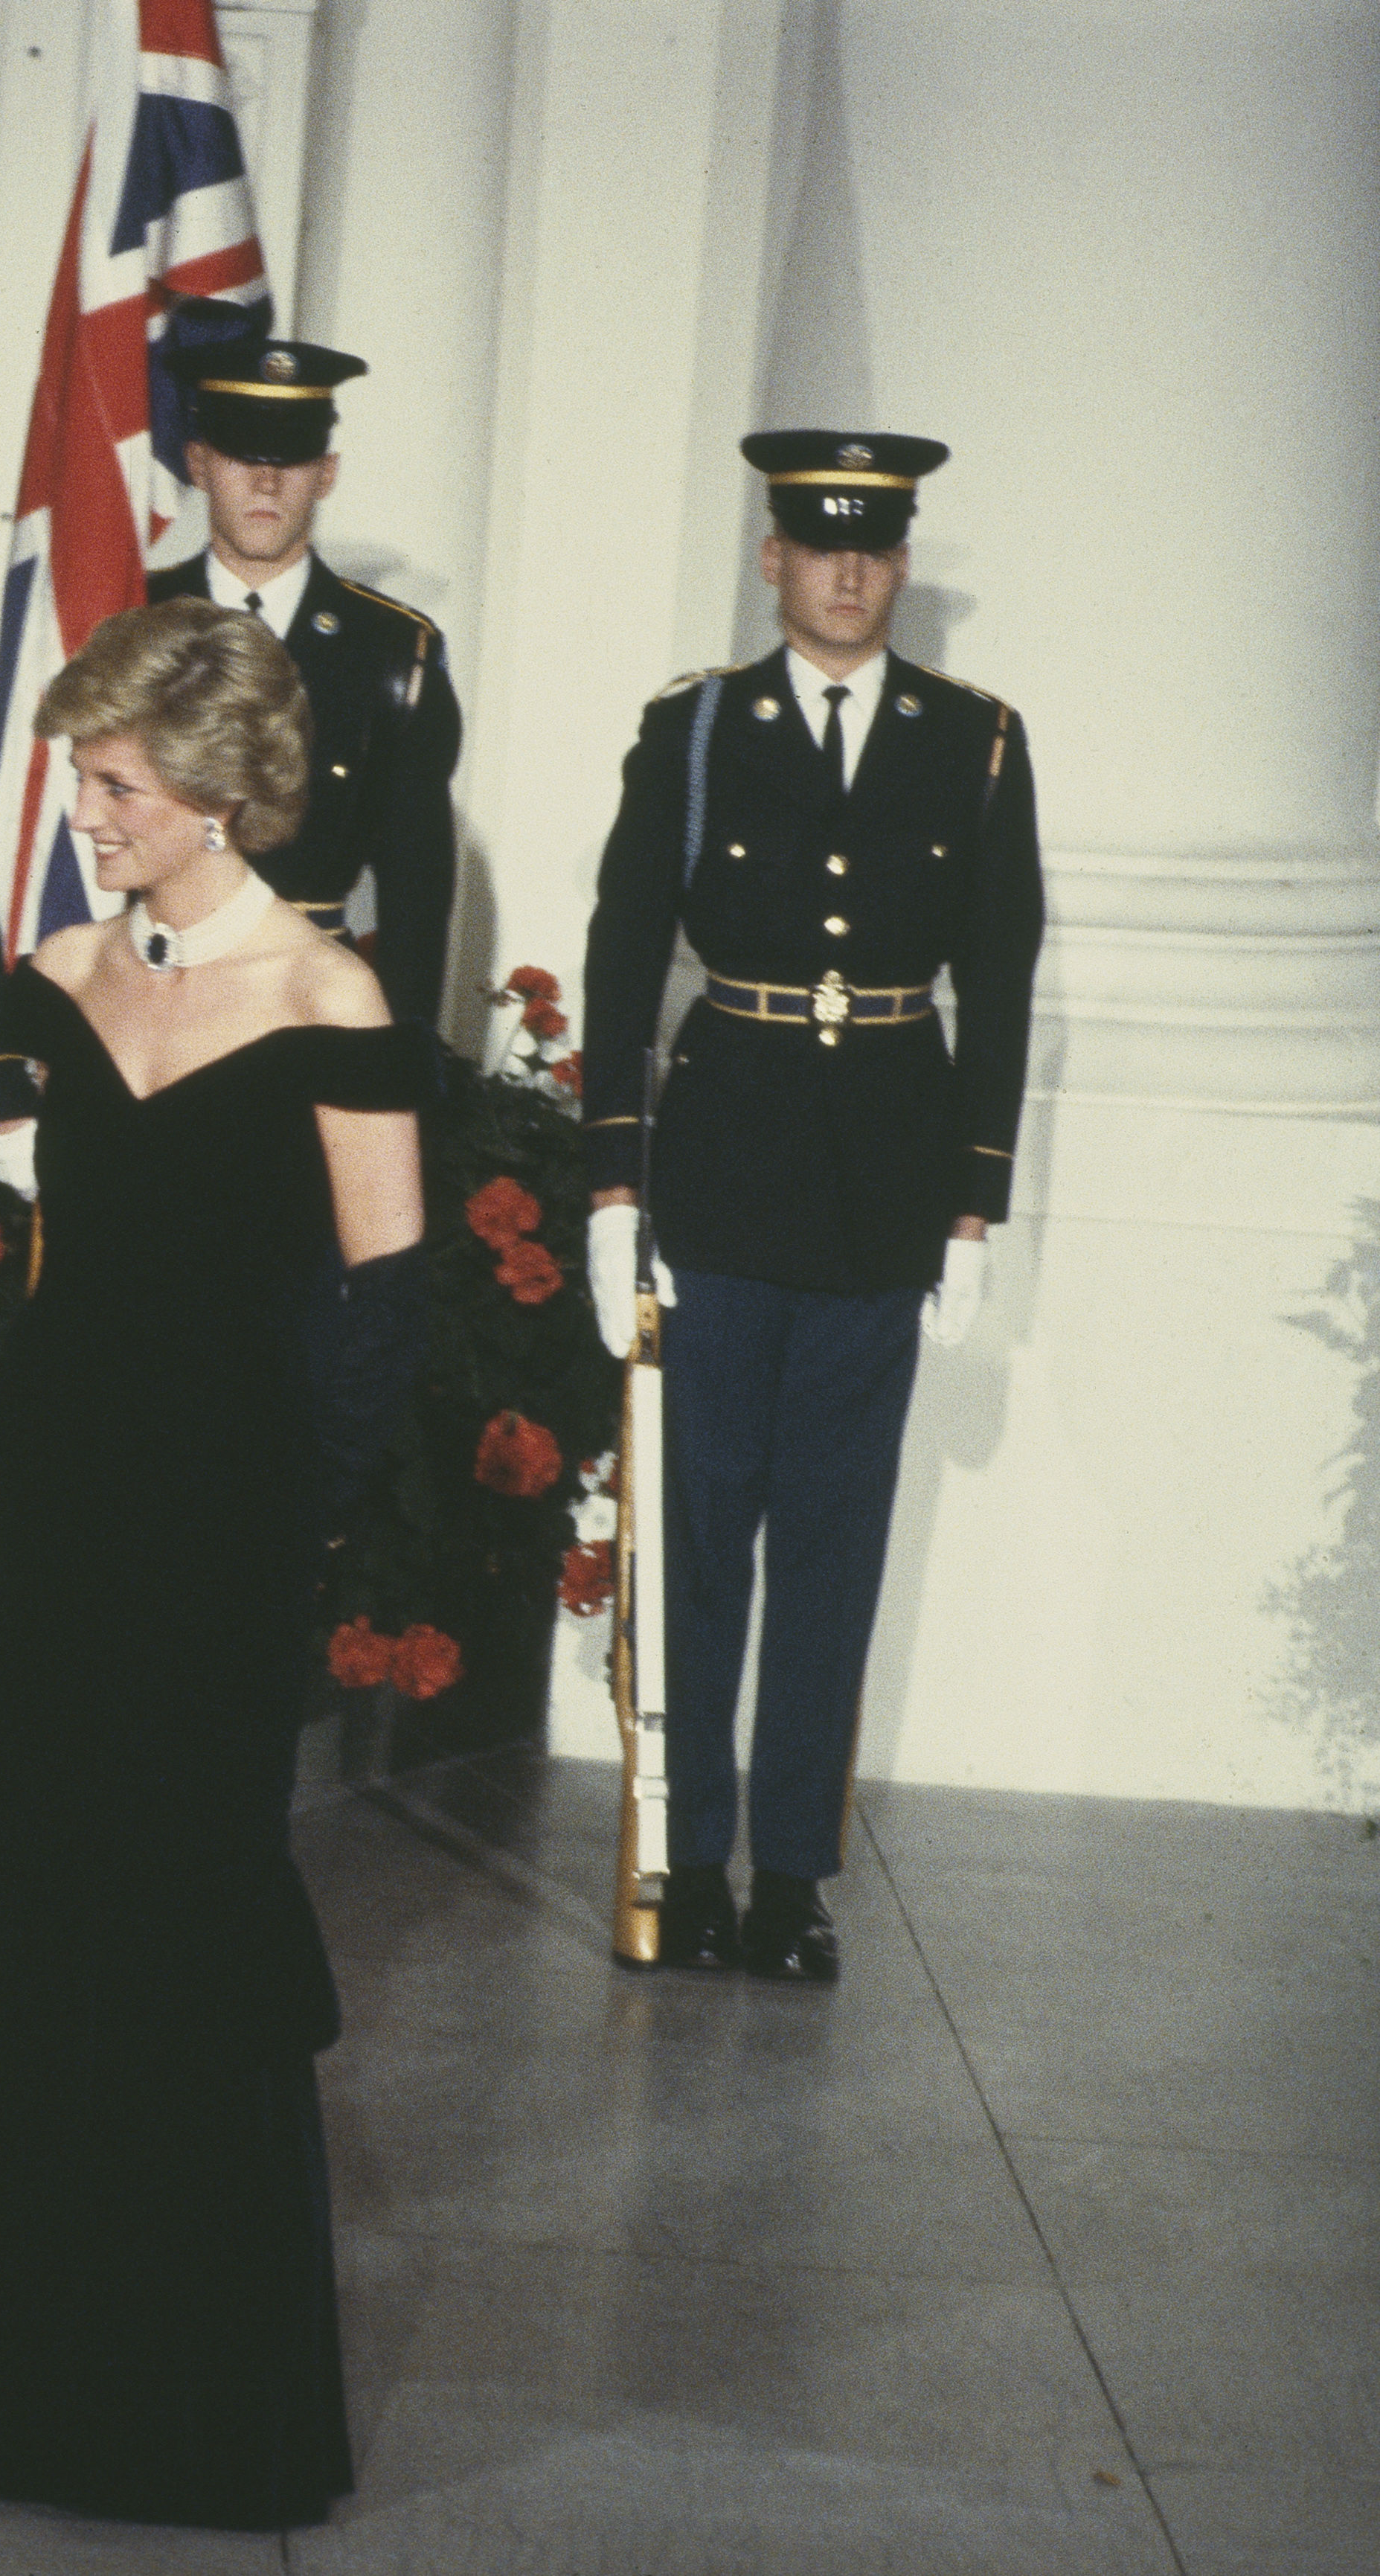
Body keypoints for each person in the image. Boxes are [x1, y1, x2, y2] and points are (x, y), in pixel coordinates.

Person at [0, 599, 426, 2531]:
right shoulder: (51, 971)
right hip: (57, 1512)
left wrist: (290, 1516)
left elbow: (381, 1304)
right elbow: (27, 1238)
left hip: (219, 1533)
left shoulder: (332, 1005)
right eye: (76, 772)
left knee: (177, 1913)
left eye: (115, 780)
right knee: (6, 1898)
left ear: (220, 791)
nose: (81, 809)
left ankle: (181, 2416)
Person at [578, 432, 1041, 1985]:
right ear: (770, 558)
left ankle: (790, 1878)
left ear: (900, 564)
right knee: (702, 1536)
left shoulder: (970, 740)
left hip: (881, 1192)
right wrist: (610, 1183)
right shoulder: (695, 728)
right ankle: (688, 1863)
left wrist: (975, 1212)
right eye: (816, 541)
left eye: (874, 545)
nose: (846, 570)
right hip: (719, 1174)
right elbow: (624, 950)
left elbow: (1003, 974)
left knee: (832, 1545)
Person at [145, 337, 460, 1034]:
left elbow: (417, 898)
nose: (266, 483)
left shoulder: (392, 650)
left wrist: (396, 1064)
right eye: (241, 456)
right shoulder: (133, 623)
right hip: (148, 994)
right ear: (198, 464)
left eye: (291, 459)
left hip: (308, 1006)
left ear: (327, 473)